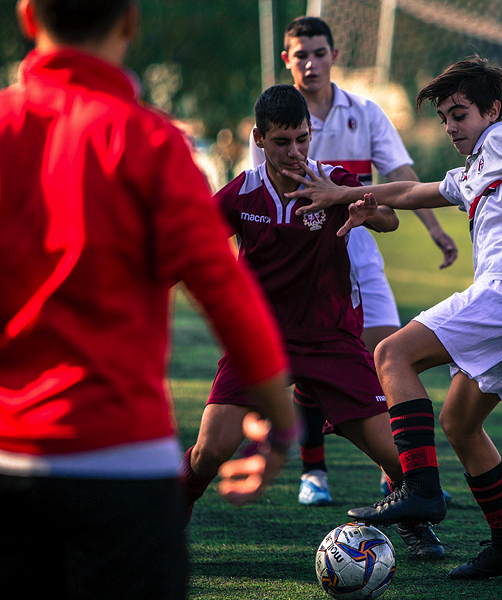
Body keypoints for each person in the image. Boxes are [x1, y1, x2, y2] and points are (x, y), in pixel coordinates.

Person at [0, 1, 296, 598]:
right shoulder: (148, 140)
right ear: (130, 21)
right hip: (122, 465)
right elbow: (226, 294)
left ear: (27, 17)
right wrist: (282, 426)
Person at [288, 56, 502, 580]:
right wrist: (345, 195)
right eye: (444, 118)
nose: (451, 126)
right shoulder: (476, 169)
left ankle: (419, 488)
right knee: (460, 423)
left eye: (459, 113)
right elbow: (412, 193)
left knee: (391, 352)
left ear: (492, 110)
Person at [183, 84, 445, 560]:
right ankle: (166, 519)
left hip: (331, 341)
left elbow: (388, 218)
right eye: (282, 142)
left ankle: (415, 524)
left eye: (302, 139)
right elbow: (193, 248)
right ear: (259, 138)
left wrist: (366, 211)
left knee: (401, 459)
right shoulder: (241, 193)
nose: (295, 151)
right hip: (259, 344)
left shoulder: (332, 181)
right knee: (210, 450)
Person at [249, 16, 459, 506]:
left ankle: (399, 475)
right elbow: (255, 192)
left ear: (333, 56)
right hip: (301, 258)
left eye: (318, 53)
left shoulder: (363, 112)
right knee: (309, 361)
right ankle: (315, 471)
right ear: (288, 61)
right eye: (301, 55)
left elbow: (400, 173)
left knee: (387, 355)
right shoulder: (278, 115)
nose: (311, 62)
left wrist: (433, 228)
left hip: (358, 250)